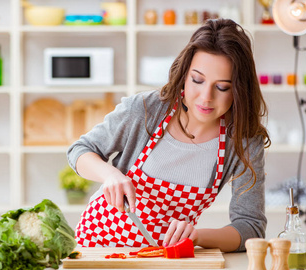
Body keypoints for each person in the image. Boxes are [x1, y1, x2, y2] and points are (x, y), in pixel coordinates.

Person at [67, 18, 270, 252]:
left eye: (222, 87)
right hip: (97, 247)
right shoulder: (145, 110)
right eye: (197, 80)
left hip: (165, 258)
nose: (206, 97)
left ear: (239, 89)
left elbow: (251, 227)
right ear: (184, 75)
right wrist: (110, 174)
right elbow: (79, 151)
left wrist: (197, 236)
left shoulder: (244, 141)